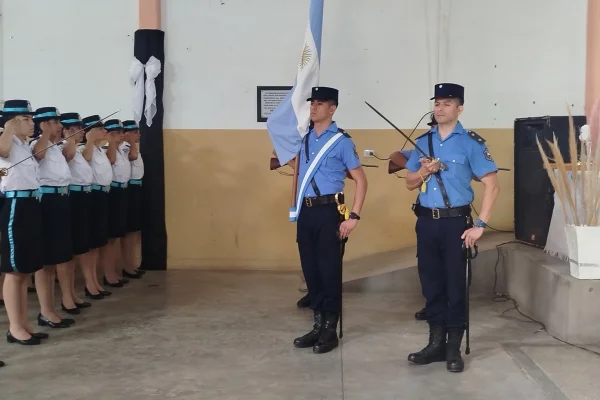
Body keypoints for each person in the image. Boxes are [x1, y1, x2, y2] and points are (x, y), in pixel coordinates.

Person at [404, 83, 499, 372]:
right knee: (431, 283)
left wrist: (480, 225)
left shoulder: (471, 143)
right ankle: (435, 343)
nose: (440, 108)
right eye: (437, 103)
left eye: (447, 103)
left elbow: (492, 185)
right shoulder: (423, 141)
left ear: (459, 108)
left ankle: (453, 347)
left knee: (455, 285)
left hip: (456, 223)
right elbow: (409, 182)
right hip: (426, 222)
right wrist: (423, 171)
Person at [292, 86, 368, 354]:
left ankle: (330, 330)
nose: (313, 107)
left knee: (329, 272)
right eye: (312, 103)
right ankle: (317, 324)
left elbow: (360, 180)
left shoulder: (342, 141)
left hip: (329, 212)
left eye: (320, 103)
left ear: (332, 108)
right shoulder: (305, 139)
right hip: (307, 212)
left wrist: (354, 216)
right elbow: (300, 172)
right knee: (311, 271)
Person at [0, 100, 47, 346]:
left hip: (31, 204)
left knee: (25, 268)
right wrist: (7, 127)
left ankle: (24, 323)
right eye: (27, 119)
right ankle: (14, 327)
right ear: (13, 120)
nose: (32, 123)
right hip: (16, 205)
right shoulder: (5, 140)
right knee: (14, 269)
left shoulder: (24, 145)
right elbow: (3, 152)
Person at [389, 114, 437, 322]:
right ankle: (431, 304)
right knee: (427, 266)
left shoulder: (460, 145)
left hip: (451, 212)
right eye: (434, 126)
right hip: (426, 213)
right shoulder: (422, 147)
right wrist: (419, 167)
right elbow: (395, 155)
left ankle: (449, 305)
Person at [30, 107, 75, 329]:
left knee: (57, 256)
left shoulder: (56, 146)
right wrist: (45, 134)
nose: (59, 125)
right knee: (45, 260)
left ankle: (51, 309)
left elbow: (68, 157)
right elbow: (38, 155)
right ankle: (45, 311)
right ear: (43, 124)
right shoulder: (36, 143)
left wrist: (62, 138)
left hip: (61, 200)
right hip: (47, 202)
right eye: (55, 122)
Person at [59, 113, 96, 313]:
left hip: (79, 198)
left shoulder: (76, 147)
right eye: (73, 129)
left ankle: (72, 293)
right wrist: (71, 138)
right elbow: (69, 155)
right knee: (67, 250)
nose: (79, 132)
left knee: (74, 250)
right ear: (65, 130)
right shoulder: (66, 146)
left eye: (80, 128)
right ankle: (66, 296)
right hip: (70, 197)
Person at [83, 114, 112, 299]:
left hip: (102, 194)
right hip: (91, 195)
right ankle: (89, 284)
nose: (105, 131)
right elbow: (86, 158)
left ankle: (94, 281)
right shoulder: (82, 149)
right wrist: (89, 141)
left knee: (97, 244)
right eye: (100, 128)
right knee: (90, 243)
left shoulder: (100, 150)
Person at [101, 119, 130, 287]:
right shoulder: (107, 150)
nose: (122, 135)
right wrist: (110, 142)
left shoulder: (121, 151)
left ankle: (113, 271)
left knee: (116, 236)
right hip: (112, 192)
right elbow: (111, 160)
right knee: (110, 237)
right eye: (118, 133)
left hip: (122, 191)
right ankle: (108, 273)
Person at [120, 120, 145, 279]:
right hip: (129, 189)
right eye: (135, 132)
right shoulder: (125, 148)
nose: (139, 135)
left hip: (137, 188)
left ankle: (130, 265)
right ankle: (126, 266)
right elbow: (133, 156)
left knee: (134, 231)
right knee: (127, 231)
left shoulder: (132, 147)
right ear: (127, 133)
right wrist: (130, 142)